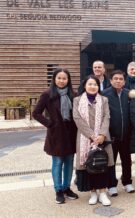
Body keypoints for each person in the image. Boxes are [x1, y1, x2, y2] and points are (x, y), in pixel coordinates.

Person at [33, 68, 78, 204]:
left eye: (64, 78)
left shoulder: (73, 94)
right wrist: (50, 123)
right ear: (54, 79)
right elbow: (36, 113)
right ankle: (58, 190)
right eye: (59, 78)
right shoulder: (47, 94)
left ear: (68, 80)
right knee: (58, 162)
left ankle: (66, 188)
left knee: (69, 162)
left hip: (71, 134)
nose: (61, 81)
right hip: (56, 135)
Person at [73, 75, 114, 206]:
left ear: (99, 86)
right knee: (89, 164)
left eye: (95, 84)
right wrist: (91, 135)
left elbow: (107, 116)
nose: (92, 86)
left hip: (103, 138)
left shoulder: (104, 100)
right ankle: (93, 193)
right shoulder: (77, 100)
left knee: (102, 164)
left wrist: (101, 134)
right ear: (84, 85)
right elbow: (77, 118)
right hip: (85, 137)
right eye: (90, 84)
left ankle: (102, 193)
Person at [103, 70, 134, 197]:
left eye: (121, 79)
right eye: (115, 78)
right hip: (111, 136)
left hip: (127, 134)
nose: (118, 81)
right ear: (110, 81)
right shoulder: (104, 94)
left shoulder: (129, 94)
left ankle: (127, 182)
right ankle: (111, 185)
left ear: (124, 81)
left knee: (127, 160)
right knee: (111, 160)